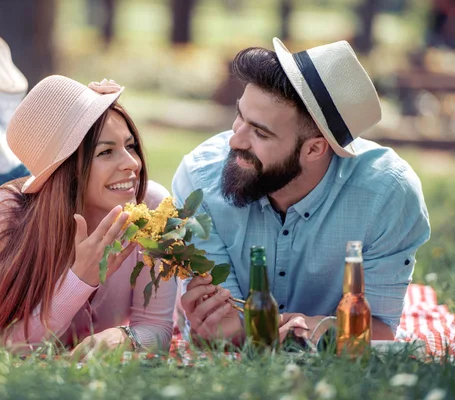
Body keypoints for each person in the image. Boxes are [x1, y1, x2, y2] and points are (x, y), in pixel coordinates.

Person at [0, 31, 177, 354]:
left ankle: (4, 137)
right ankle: (5, 129)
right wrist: (81, 277)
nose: (132, 163)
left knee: (25, 182)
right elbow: (4, 344)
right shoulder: (7, 210)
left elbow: (157, 328)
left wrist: (127, 338)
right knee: (17, 199)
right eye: (106, 152)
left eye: (130, 145)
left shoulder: (153, 207)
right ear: (67, 171)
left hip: (52, 190)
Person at [175, 38, 431, 345]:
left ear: (314, 149)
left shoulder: (388, 195)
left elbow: (379, 331)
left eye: (260, 132)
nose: (235, 140)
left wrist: (314, 328)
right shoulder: (200, 179)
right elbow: (223, 326)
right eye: (241, 116)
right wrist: (234, 328)